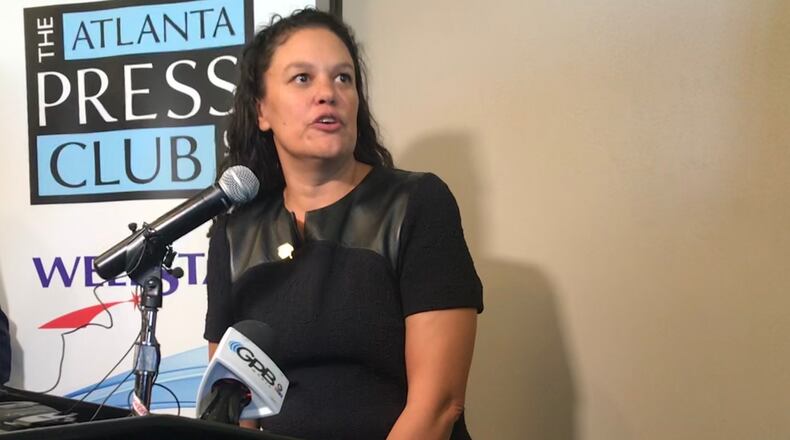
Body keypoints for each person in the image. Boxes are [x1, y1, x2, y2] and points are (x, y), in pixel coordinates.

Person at [204, 8, 483, 440]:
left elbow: (439, 405)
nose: (327, 93)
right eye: (302, 78)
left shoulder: (417, 204)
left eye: (343, 78)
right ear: (261, 110)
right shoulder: (232, 234)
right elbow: (232, 412)